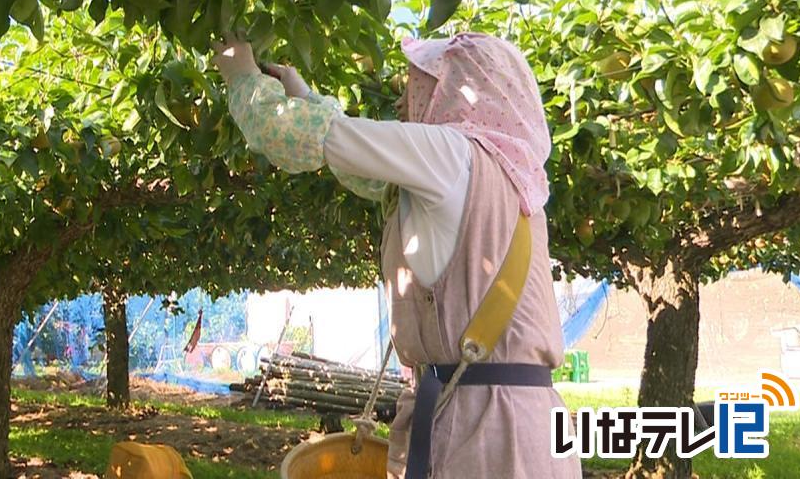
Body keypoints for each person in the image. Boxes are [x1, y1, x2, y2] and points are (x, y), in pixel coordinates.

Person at [212, 32, 581, 479]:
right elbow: (366, 170)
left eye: (417, 83)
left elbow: (291, 133)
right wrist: (303, 93)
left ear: (452, 88)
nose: (405, 97)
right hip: (518, 425)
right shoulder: (499, 173)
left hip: (482, 431)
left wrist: (243, 77)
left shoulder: (449, 154)